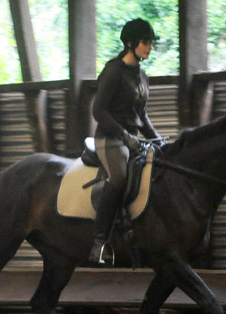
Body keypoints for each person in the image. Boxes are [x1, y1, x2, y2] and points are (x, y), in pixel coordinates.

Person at [89, 18, 160, 264]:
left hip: (133, 140)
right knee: (118, 178)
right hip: (110, 139)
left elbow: (142, 116)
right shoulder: (113, 72)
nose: (149, 47)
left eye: (151, 43)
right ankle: (99, 242)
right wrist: (124, 135)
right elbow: (99, 111)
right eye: (145, 43)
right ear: (130, 43)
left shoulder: (142, 76)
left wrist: (157, 139)